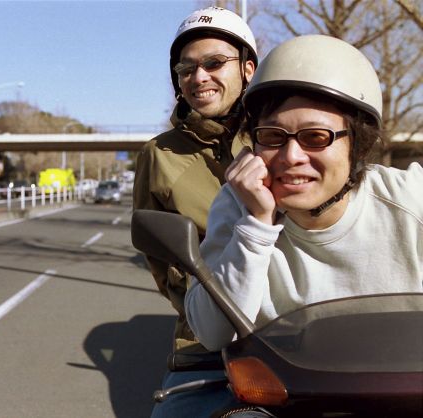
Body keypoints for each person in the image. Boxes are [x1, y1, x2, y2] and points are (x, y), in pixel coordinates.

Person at [185, 33, 423, 363]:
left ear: (358, 144)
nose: (291, 156)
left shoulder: (410, 201)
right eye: (272, 136)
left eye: (315, 137)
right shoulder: (238, 204)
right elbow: (212, 334)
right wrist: (257, 226)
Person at [132, 6, 257, 417]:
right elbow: (159, 254)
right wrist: (198, 307)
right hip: (205, 342)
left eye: (214, 63)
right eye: (185, 69)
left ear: (248, 68)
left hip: (295, 325)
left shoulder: (280, 138)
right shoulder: (160, 154)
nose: (198, 77)